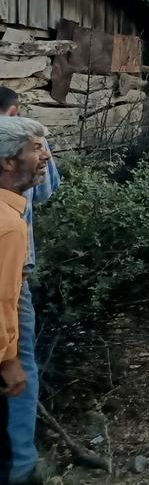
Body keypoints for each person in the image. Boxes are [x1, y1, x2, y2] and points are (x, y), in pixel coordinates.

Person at [0, 89, 60, 484]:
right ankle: (21, 467)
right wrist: (8, 361)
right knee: (23, 368)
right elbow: (3, 299)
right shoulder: (9, 224)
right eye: (36, 148)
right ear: (8, 161)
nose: (46, 157)